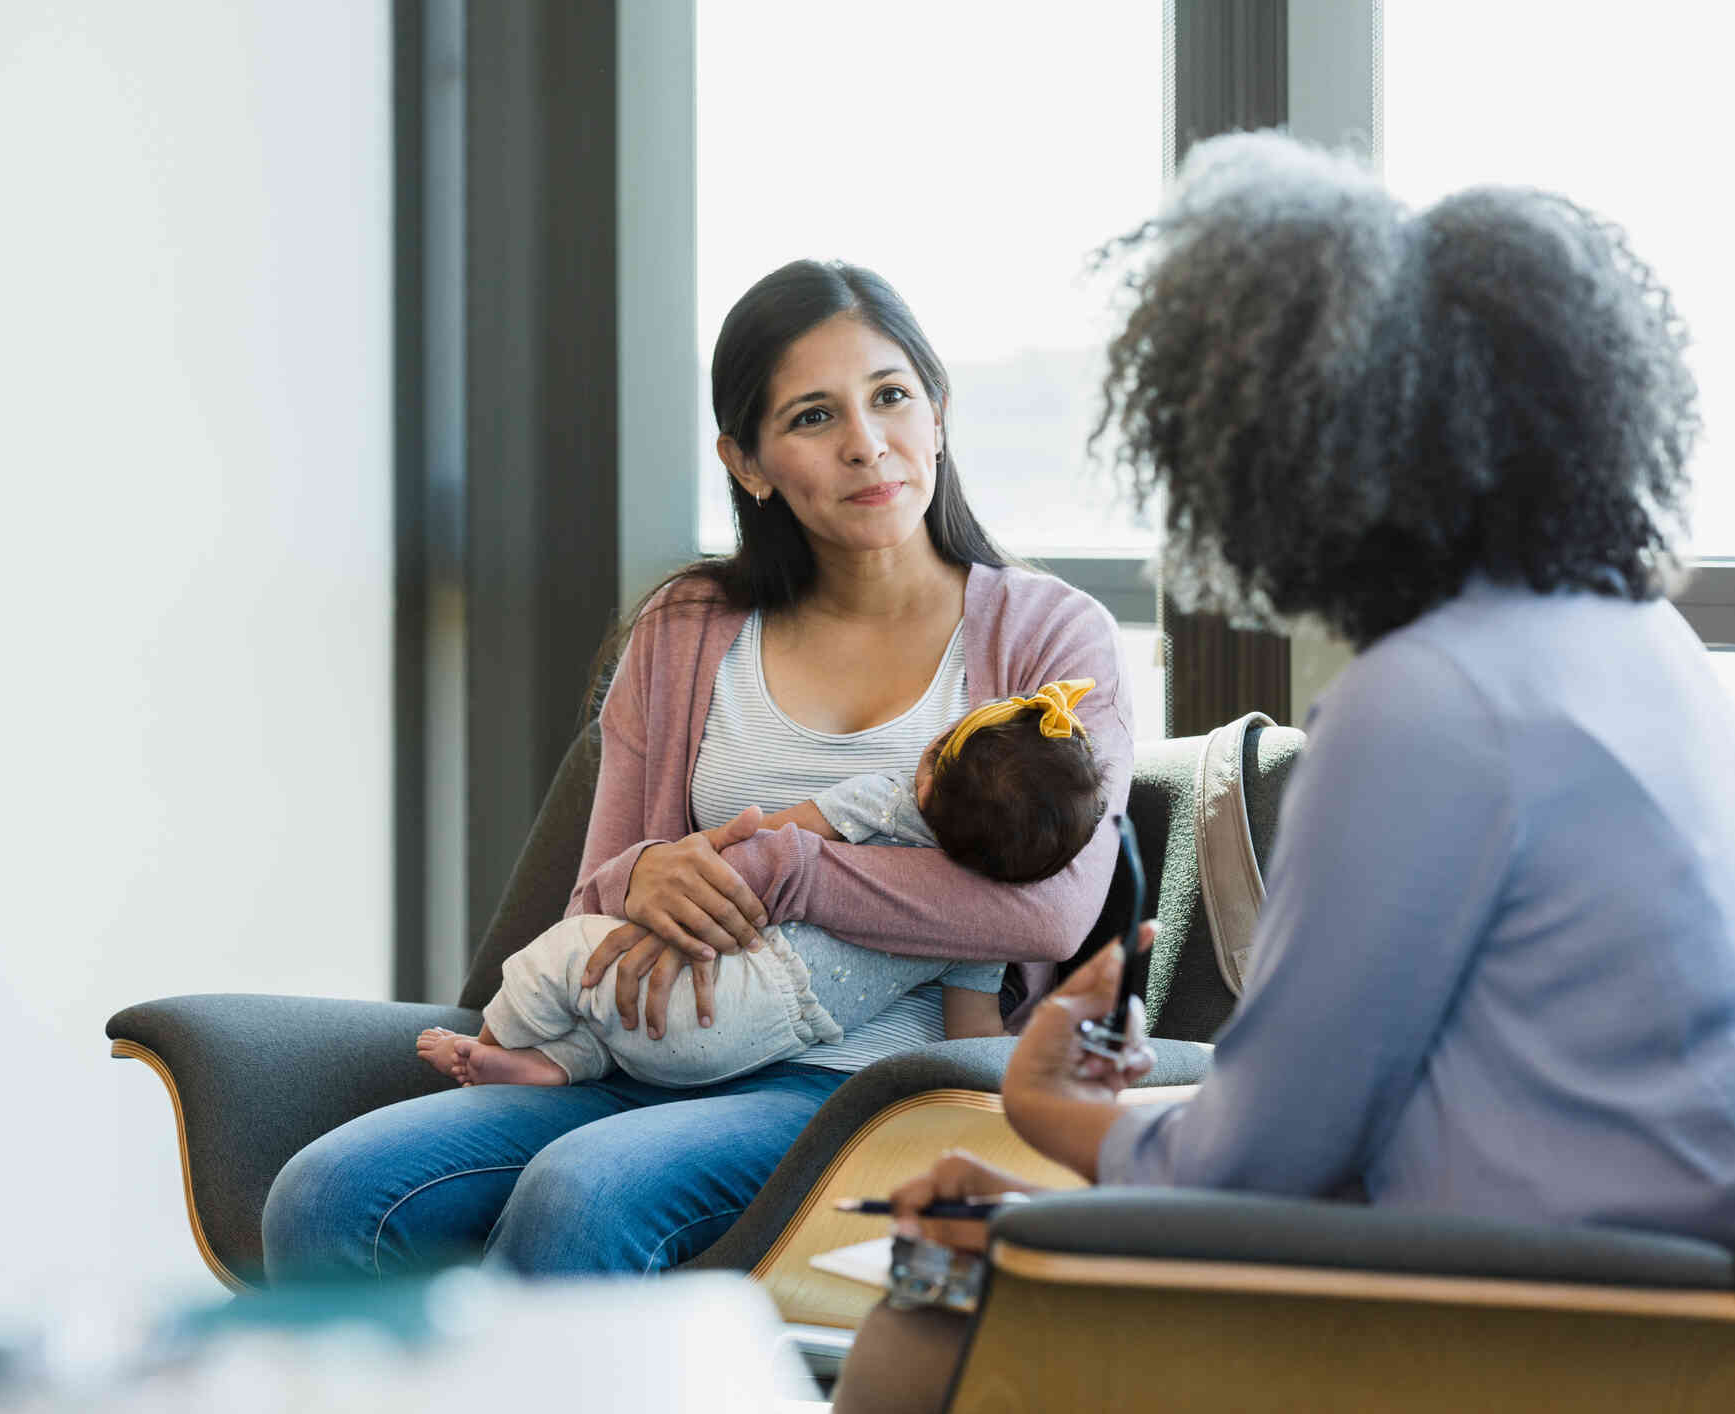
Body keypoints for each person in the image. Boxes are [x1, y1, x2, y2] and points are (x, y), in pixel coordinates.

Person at [836, 131, 1735, 1412]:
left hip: (1523, 1313)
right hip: (1647, 1290)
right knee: (998, 1226)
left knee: (937, 1270)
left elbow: (1271, 1154)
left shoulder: (1425, 702)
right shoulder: (1642, 643)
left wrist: (1042, 1108)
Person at [260, 259, 1134, 1279]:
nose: (867, 443)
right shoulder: (687, 626)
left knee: (581, 1199)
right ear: (748, 461)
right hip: (643, 1051)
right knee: (325, 1197)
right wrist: (645, 874)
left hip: (868, 1086)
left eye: (891, 396)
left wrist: (788, 869)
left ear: (937, 413)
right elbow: (599, 883)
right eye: (813, 416)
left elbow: (1047, 913)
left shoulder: (1049, 636)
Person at [414, 680, 1107, 1088]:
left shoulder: (884, 800)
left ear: (928, 764)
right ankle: (555, 1068)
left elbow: (763, 846)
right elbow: (968, 1038)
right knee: (613, 1023)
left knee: (567, 956)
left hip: (735, 981)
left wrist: (666, 894)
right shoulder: (982, 933)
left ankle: (501, 1046)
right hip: (769, 1042)